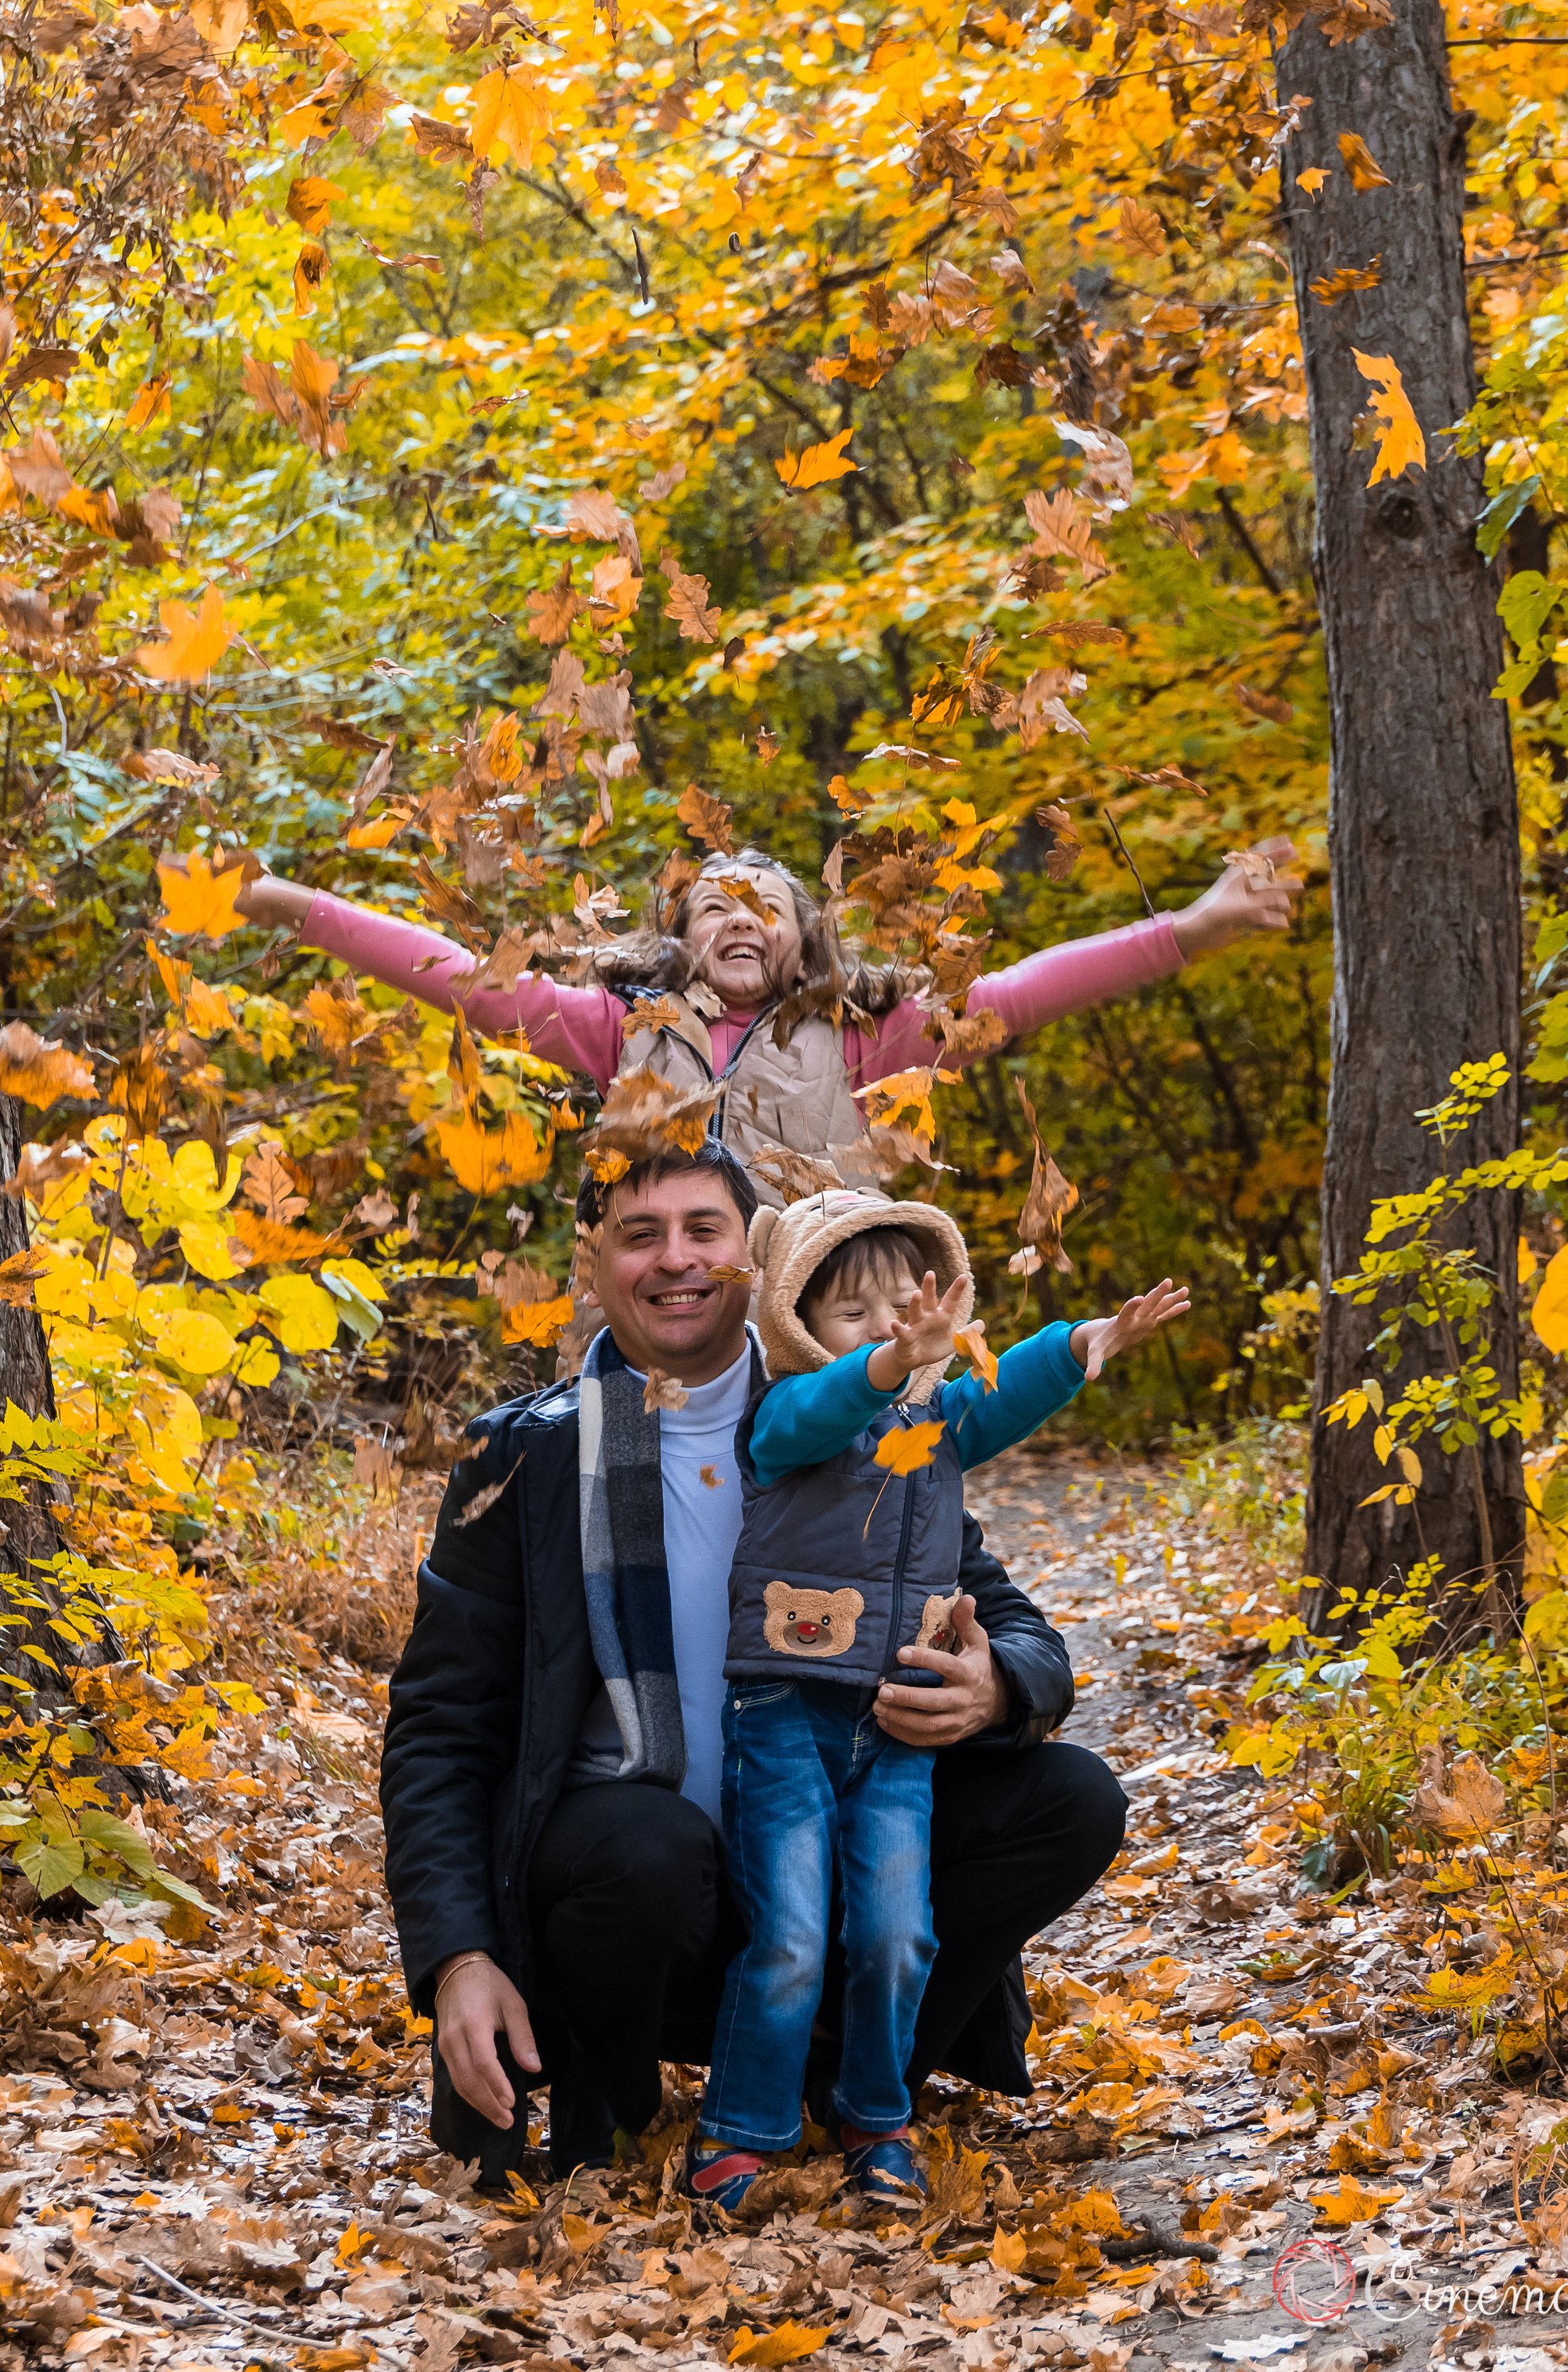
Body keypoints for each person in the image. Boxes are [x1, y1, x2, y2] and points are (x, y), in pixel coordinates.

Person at [378, 1142, 1129, 2185]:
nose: (676, 1260)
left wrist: (999, 1684)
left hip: (837, 1845)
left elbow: (1019, 1626)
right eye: (640, 1235)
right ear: (594, 1263)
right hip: (642, 1902)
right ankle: (617, 2104)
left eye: (704, 1232)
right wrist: (456, 1959)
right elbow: (437, 1732)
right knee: (647, 1843)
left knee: (1074, 1797)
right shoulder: (526, 1458)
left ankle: (858, 2076)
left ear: (754, 1262)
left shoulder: (862, 1422)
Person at [690, 1187, 1188, 2213]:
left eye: (906, 1311)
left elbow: (994, 1401)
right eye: (857, 1313)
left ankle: (874, 2113)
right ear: (797, 1324)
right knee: (788, 1931)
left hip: (896, 1723)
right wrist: (883, 1362)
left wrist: (1087, 1341)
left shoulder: (923, 1436)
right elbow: (827, 1408)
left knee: (894, 1931)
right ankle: (739, 2127)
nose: (891, 1330)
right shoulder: (786, 1419)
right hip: (785, 1710)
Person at [239, 836, 1299, 1201]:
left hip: (829, 1324)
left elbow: (1019, 995)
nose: (737, 918)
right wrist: (302, 909)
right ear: (681, 940)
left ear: (804, 937)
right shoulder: (621, 1028)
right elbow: (470, 983)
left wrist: (1194, 930)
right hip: (671, 1324)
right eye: (713, 906)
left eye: (763, 906)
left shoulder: (872, 1033)